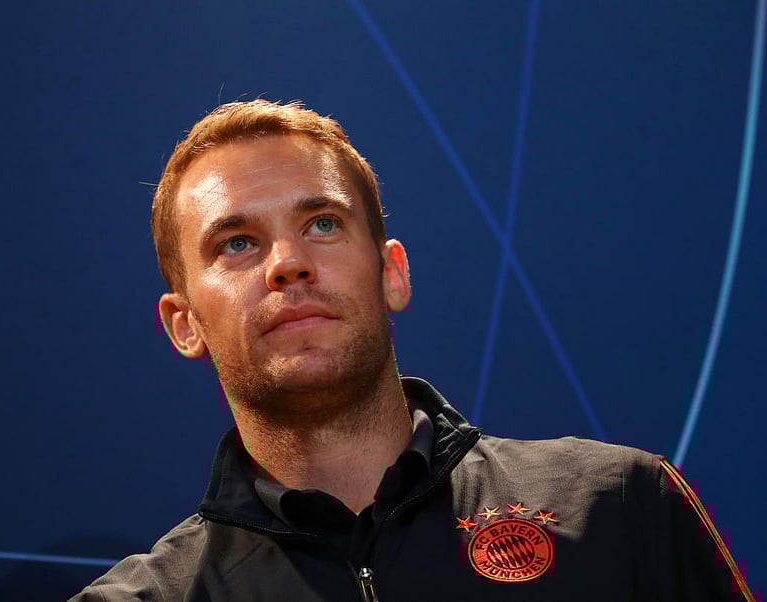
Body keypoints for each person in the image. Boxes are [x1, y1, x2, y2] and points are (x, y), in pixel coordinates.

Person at [70, 100, 754, 601]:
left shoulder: (617, 508)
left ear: (392, 272)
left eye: (322, 223)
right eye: (237, 244)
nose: (288, 263)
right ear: (183, 323)